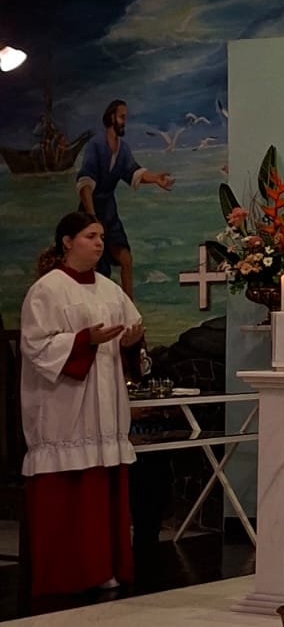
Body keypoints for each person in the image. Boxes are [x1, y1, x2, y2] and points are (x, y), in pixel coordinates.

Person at [19, 211, 143, 601]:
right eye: (90, 236)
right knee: (71, 492)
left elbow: (131, 336)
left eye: (102, 236)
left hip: (105, 404)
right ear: (67, 242)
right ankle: (68, 574)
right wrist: (83, 340)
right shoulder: (47, 290)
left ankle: (105, 567)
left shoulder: (110, 290)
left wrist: (130, 343)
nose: (100, 243)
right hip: (66, 405)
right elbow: (36, 345)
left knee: (103, 486)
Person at [76, 99, 174, 298]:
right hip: (91, 211)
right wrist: (92, 217)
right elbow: (85, 183)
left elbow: (134, 172)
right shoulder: (96, 145)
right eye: (122, 117)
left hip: (109, 211)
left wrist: (155, 179)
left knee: (126, 259)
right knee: (94, 264)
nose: (124, 122)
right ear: (111, 117)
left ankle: (129, 307)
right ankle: (95, 303)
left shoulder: (123, 149)